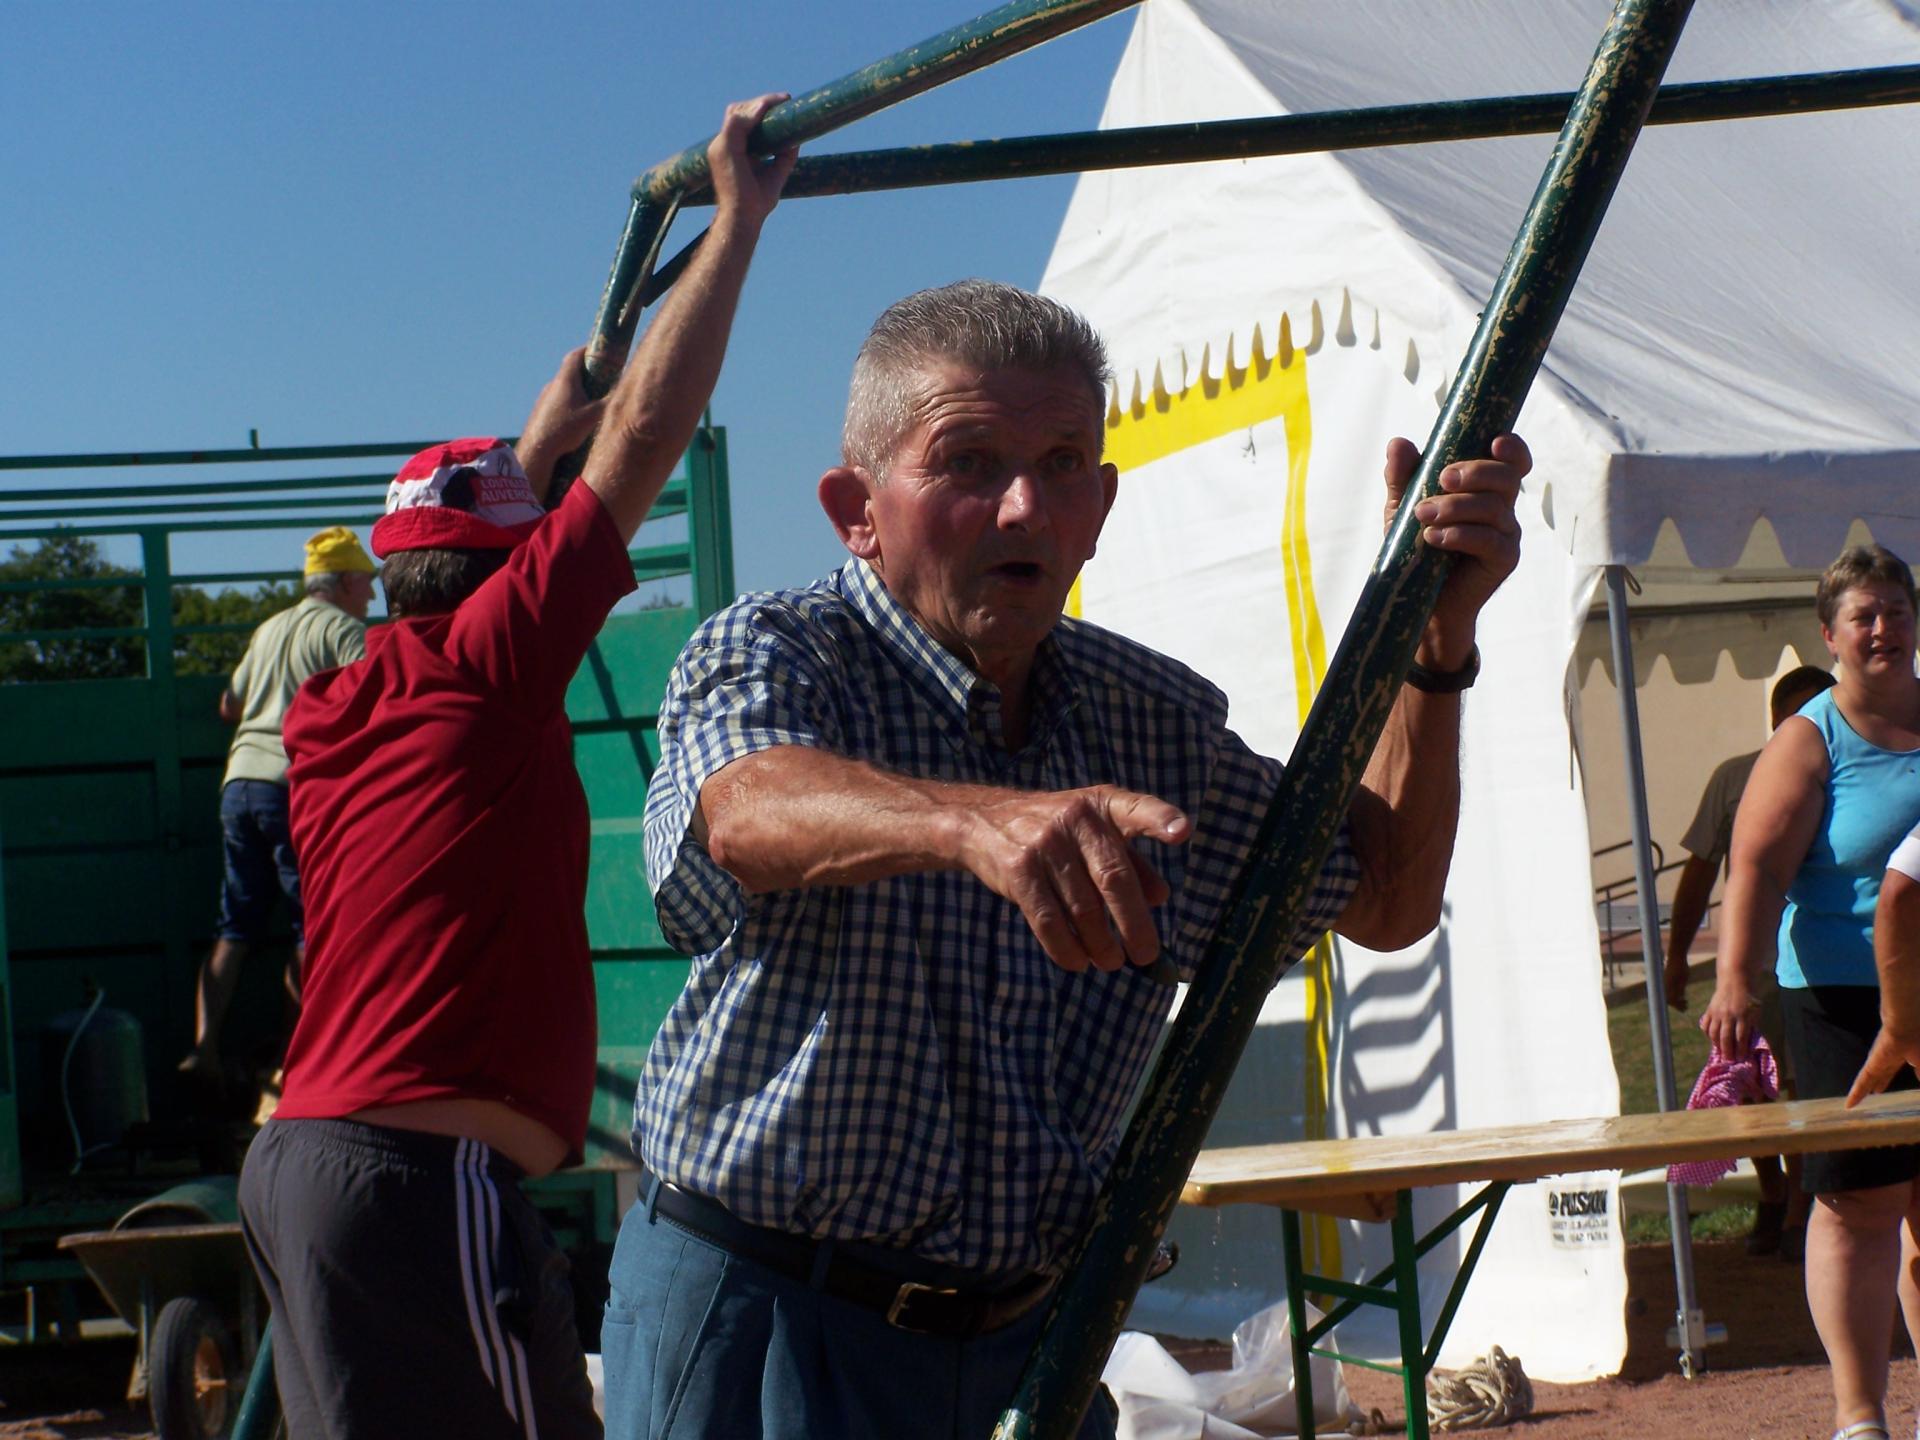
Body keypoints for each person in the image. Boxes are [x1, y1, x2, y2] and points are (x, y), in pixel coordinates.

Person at [604, 278, 1529, 1440]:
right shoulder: (780, 651)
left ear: (1100, 507)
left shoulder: (1145, 719)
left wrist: (1435, 649)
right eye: (970, 462)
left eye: (1061, 464)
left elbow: (1387, 898)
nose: (1023, 506)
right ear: (858, 508)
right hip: (766, 1315)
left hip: (1027, 1344)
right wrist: (968, 823)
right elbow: (742, 810)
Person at [237, 96, 795, 1440]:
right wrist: (737, 225)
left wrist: (531, 444)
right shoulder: (494, 665)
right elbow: (650, 436)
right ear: (507, 571)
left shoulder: (336, 701)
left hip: (303, 1166)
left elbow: (479, 530)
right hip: (416, 1181)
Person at [1702, 545, 1920, 1440]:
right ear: (1829, 635)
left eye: (1897, 611)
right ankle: (1858, 1413)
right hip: (1838, 997)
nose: (1883, 628)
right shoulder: (1811, 737)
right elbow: (1752, 866)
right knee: (1860, 1205)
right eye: (1864, 615)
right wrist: (1732, 981)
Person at [180, 525, 376, 1078]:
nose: (371, 595)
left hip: (238, 785)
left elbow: (228, 705)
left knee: (234, 926)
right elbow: (371, 701)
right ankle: (294, 1064)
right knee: (309, 928)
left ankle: (203, 1048)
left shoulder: (268, 628)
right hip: (294, 790)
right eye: (365, 582)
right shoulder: (345, 631)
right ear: (340, 583)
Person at [1664, 663, 1834, 1260]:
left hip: (1820, 961)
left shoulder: (1853, 772)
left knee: (1804, 1090)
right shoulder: (1736, 778)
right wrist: (1677, 956)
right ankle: (1775, 1192)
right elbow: (1699, 872)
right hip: (1753, 964)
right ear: (1775, 723)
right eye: (1794, 715)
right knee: (1748, 1089)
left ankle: (1799, 1212)